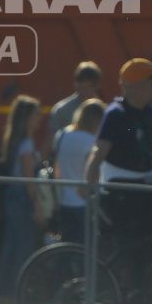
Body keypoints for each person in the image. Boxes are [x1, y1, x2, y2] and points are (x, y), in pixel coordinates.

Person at [84, 59, 152, 304]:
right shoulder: (116, 114)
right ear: (137, 87)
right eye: (151, 82)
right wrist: (89, 184)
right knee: (129, 262)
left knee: (146, 261)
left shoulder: (147, 112)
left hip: (147, 193)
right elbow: (100, 150)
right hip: (124, 194)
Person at [0, 94, 43, 304]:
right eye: (36, 115)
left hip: (12, 197)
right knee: (23, 249)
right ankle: (16, 298)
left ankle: (3, 297)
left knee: (10, 248)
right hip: (23, 198)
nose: (39, 119)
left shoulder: (14, 141)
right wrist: (38, 205)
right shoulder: (27, 144)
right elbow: (29, 177)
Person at [52, 98, 104, 244]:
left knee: (67, 245)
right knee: (86, 248)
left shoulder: (62, 136)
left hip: (65, 200)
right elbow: (95, 171)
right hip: (85, 201)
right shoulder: (92, 141)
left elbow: (57, 168)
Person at [47, 60, 102, 134]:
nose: (84, 85)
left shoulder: (105, 112)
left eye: (89, 84)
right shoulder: (62, 110)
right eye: (80, 80)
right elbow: (52, 139)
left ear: (97, 85)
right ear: (75, 83)